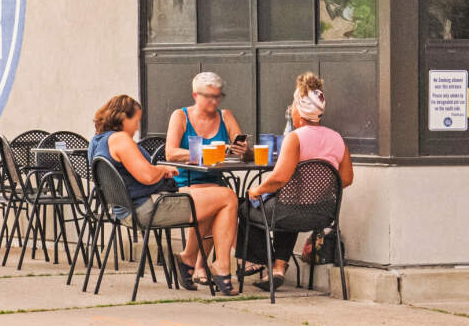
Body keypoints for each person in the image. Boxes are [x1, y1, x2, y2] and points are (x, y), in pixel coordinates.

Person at [241, 74, 353, 291]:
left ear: (299, 111)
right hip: (323, 214)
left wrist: (256, 190)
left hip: (288, 213)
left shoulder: (295, 138)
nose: (291, 110)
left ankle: (258, 261)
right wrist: (319, 187)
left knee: (245, 207)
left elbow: (279, 178)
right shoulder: (337, 138)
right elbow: (347, 179)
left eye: (292, 105)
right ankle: (278, 268)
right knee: (289, 205)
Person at [163, 71, 243, 294]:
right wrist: (203, 153)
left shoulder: (225, 116)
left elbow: (240, 150)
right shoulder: (181, 116)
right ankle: (220, 266)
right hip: (184, 182)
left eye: (218, 96)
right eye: (209, 96)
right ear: (195, 95)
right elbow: (170, 153)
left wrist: (242, 149)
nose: (214, 101)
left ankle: (191, 258)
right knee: (227, 198)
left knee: (221, 197)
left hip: (214, 181)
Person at [89, 95, 178, 207]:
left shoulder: (95, 141)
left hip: (121, 208)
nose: (137, 128)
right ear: (123, 118)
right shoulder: (120, 139)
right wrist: (163, 169)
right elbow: (148, 176)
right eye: (136, 121)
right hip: (144, 206)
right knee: (199, 196)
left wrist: (158, 172)